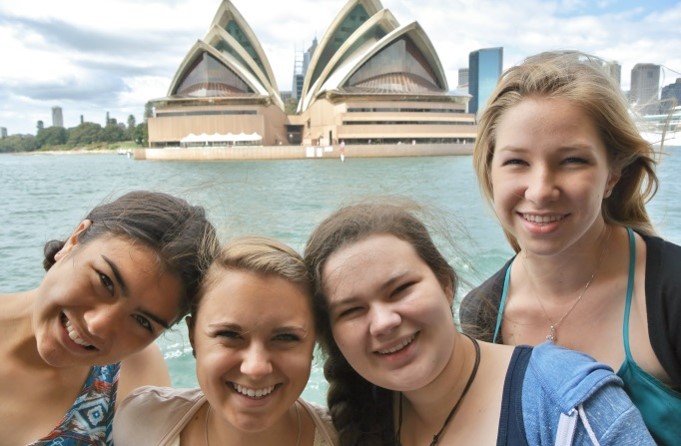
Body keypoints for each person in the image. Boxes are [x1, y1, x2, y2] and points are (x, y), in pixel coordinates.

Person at [458, 50, 681, 445]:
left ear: (613, 173)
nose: (541, 190)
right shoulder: (481, 313)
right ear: (490, 171)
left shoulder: (671, 291)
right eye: (516, 162)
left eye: (572, 160)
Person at [303, 201, 654, 446]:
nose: (383, 322)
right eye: (351, 310)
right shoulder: (357, 418)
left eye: (400, 289)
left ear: (445, 283)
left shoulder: (565, 403)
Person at [0, 190, 218, 445]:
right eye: (105, 281)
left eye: (142, 321)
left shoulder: (134, 381)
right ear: (74, 240)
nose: (97, 325)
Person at [113, 236, 338, 445]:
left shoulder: (348, 437)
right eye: (229, 335)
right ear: (193, 337)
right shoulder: (141, 421)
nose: (255, 368)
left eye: (285, 337)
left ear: (313, 343)